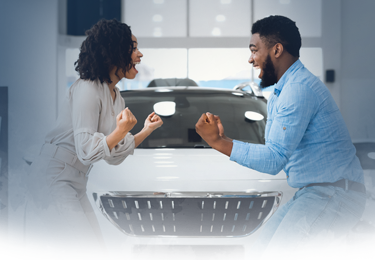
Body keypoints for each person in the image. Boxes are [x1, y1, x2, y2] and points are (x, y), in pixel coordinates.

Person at [195, 15, 366, 260]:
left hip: (333, 195)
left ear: (277, 49)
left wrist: (219, 143)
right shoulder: (282, 90)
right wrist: (225, 140)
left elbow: (274, 159)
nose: (250, 59)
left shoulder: (298, 89)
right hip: (312, 194)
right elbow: (274, 150)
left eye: (254, 50)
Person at [27, 19, 163, 260]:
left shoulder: (116, 96)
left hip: (76, 180)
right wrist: (120, 131)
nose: (140, 55)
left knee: (99, 256)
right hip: (54, 176)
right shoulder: (88, 88)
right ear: (113, 52)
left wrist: (144, 131)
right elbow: (86, 150)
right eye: (133, 48)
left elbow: (114, 155)